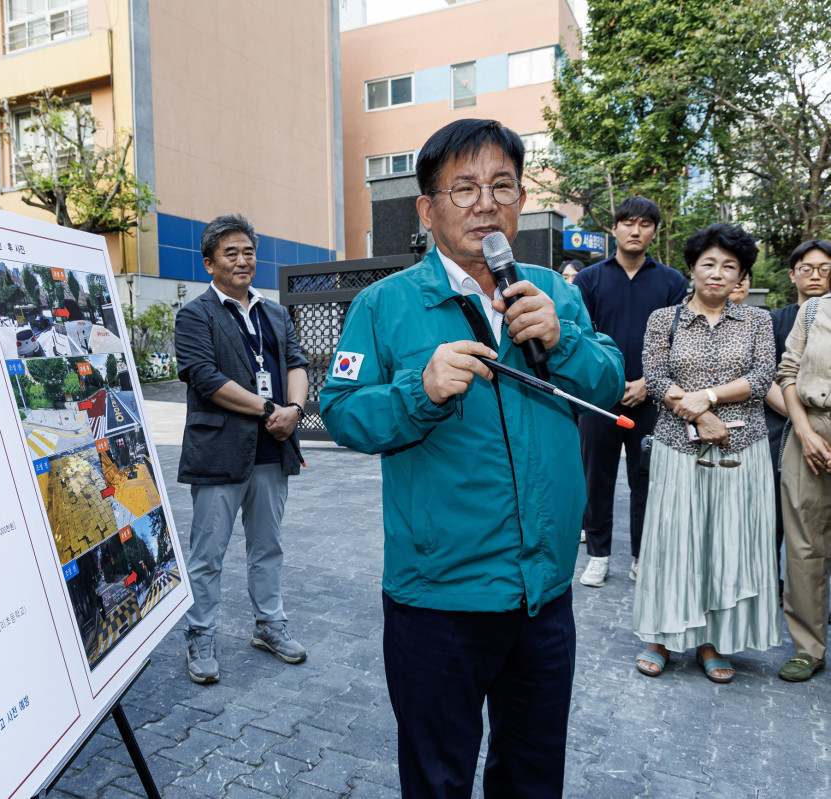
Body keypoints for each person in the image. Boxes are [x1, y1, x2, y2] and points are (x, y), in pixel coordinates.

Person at [320, 119, 624, 798]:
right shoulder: (383, 304)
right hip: (438, 600)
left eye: (501, 185)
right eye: (462, 188)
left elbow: (608, 383)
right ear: (426, 209)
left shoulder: (551, 288)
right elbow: (340, 409)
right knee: (438, 777)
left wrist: (565, 341)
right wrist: (418, 389)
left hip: (542, 594)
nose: (485, 202)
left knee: (532, 773)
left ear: (519, 200)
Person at [632, 223, 781, 683]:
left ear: (741, 276)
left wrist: (709, 398)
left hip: (743, 450)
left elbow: (761, 378)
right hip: (679, 447)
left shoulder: (758, 321)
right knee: (673, 542)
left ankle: (712, 641)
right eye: (709, 264)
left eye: (729, 267)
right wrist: (698, 416)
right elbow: (655, 379)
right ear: (692, 268)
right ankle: (660, 635)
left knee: (725, 543)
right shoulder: (664, 319)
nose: (717, 274)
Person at [173, 213, 309, 685]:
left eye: (248, 251)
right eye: (231, 253)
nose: (243, 260)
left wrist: (293, 408)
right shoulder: (195, 315)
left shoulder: (275, 312)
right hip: (219, 452)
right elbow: (205, 379)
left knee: (268, 546)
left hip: (272, 448)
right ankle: (200, 633)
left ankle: (270, 625)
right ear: (210, 263)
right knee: (208, 552)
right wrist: (269, 407)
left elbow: (296, 362)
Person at [571, 198, 688, 588]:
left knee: (647, 478)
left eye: (644, 224)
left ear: (655, 230)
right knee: (596, 477)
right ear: (615, 229)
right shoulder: (589, 280)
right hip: (600, 396)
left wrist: (647, 384)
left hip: (654, 399)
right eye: (628, 223)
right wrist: (610, 381)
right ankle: (598, 555)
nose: (635, 230)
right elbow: (580, 337)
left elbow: (678, 342)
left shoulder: (671, 282)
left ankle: (642, 555)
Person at [776, 249, 831, 682]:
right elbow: (787, 372)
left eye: (825, 267)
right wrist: (805, 432)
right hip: (808, 429)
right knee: (803, 545)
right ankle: (808, 648)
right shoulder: (812, 311)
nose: (819, 274)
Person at [766, 241, 831, 596]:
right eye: (807, 268)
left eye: (824, 268)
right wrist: (802, 420)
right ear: (793, 274)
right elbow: (768, 375)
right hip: (781, 428)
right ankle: (774, 586)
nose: (816, 275)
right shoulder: (776, 320)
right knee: (779, 515)